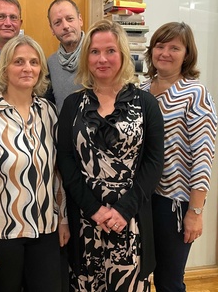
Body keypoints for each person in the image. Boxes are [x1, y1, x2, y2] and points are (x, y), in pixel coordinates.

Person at [57, 19, 165, 292]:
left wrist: (123, 210)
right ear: (86, 57)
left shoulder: (146, 104)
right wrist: (94, 210)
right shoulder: (72, 105)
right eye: (94, 52)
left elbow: (153, 163)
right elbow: (66, 161)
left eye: (110, 51)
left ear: (123, 55)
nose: (102, 59)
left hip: (131, 221)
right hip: (85, 220)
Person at [0, 35, 70, 292]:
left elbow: (57, 172)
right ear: (5, 68)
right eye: (18, 61)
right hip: (1, 233)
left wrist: (63, 218)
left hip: (45, 230)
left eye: (34, 62)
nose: (27, 68)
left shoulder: (49, 112)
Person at [140, 22, 217, 292]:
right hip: (140, 198)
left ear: (187, 54)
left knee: (168, 280)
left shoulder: (195, 94)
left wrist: (195, 212)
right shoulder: (140, 89)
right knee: (139, 275)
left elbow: (203, 156)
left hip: (174, 203)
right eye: (160, 46)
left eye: (175, 48)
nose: (165, 53)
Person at [46, 0, 85, 113]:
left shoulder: (97, 55)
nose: (65, 26)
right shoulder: (51, 63)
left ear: (80, 20)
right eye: (57, 22)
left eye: (70, 19)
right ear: (52, 29)